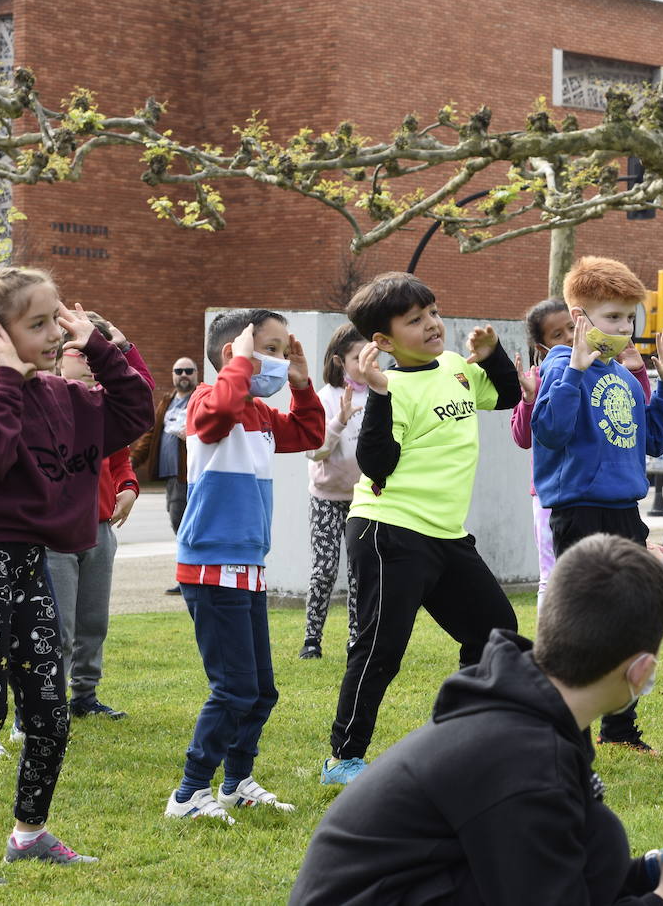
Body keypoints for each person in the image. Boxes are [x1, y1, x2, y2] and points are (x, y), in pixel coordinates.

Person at [290, 534, 663, 906]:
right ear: (641, 671)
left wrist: (657, 871)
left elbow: (563, 876)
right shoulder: (523, 756)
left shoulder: (533, 718)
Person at [0, 266, 152, 885]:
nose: (56, 333)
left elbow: (134, 413)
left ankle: (29, 834)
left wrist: (101, 344)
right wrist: (3, 374)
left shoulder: (64, 394)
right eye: (39, 323)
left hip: (25, 561)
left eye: (58, 318)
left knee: (48, 707)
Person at [320, 271, 522, 786]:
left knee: (496, 631)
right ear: (383, 342)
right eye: (416, 320)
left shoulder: (455, 367)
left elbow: (503, 396)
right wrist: (381, 393)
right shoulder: (391, 388)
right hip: (388, 531)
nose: (433, 324)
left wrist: (495, 352)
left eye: (433, 312)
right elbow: (377, 464)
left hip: (445, 535)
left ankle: (461, 736)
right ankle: (343, 758)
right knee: (381, 647)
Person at [164, 308, 324, 822]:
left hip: (247, 569)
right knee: (233, 689)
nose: (278, 360)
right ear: (234, 354)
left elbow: (310, 432)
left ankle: (235, 782)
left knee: (260, 691)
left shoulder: (259, 415)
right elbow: (223, 405)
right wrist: (239, 361)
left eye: (282, 350)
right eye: (269, 349)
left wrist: (300, 384)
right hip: (212, 569)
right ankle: (189, 792)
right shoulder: (208, 401)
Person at [531, 257, 663, 753]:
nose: (624, 328)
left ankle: (621, 730)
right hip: (579, 510)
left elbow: (655, 440)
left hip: (624, 511)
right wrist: (574, 370)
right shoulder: (559, 365)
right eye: (613, 317)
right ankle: (569, 729)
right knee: (585, 621)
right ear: (580, 319)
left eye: (629, 318)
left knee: (629, 616)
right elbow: (549, 430)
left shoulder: (621, 372)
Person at [45, 313, 151, 722]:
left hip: (100, 530)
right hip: (57, 535)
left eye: (96, 351)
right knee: (60, 627)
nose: (89, 359)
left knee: (93, 621)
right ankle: (48, 701)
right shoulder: (49, 398)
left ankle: (84, 696)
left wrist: (128, 488)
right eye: (80, 349)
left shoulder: (103, 405)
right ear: (59, 357)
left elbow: (121, 458)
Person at [300, 322, 367, 660]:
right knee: (325, 570)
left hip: (366, 501)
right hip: (327, 498)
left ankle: (357, 639)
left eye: (373, 355)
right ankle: (312, 640)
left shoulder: (381, 395)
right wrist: (339, 421)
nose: (368, 363)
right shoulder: (323, 399)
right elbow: (314, 451)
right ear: (341, 361)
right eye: (359, 357)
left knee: (360, 572)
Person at [509, 299, 574, 608]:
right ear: (542, 345)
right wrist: (529, 399)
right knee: (553, 574)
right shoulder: (536, 377)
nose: (570, 337)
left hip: (594, 493)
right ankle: (549, 651)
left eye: (572, 327)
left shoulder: (601, 369)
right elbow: (522, 438)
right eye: (558, 335)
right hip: (550, 494)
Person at [131, 356, 198, 595]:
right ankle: (189, 576)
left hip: (187, 476)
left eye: (188, 370)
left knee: (182, 525)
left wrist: (192, 434)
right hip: (170, 477)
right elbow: (151, 435)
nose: (183, 375)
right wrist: (132, 461)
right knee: (179, 524)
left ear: (196, 374)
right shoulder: (167, 401)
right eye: (178, 370)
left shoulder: (200, 399)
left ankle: (189, 577)